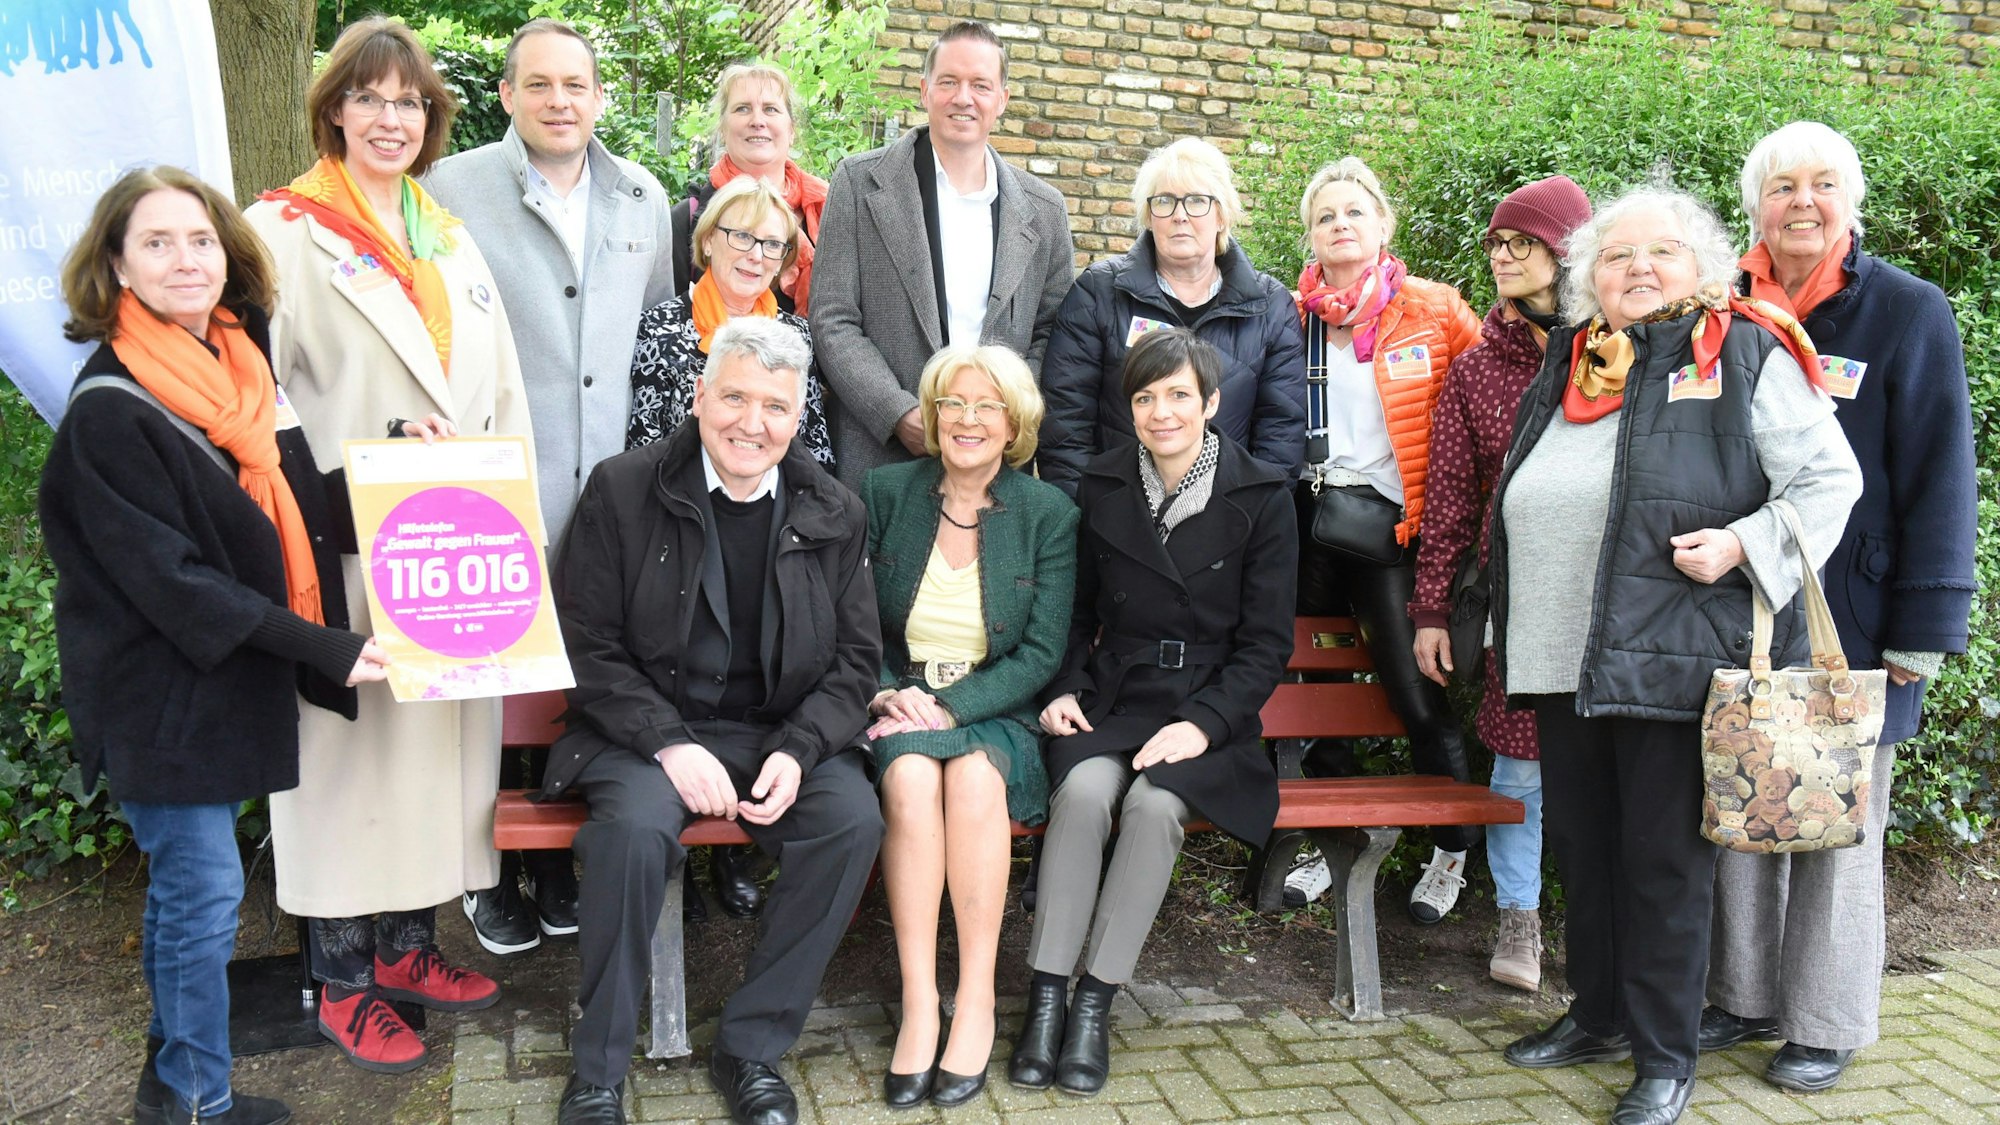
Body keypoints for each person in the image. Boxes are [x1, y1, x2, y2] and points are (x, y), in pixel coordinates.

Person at [1488, 185, 1861, 1125]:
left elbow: (1830, 477)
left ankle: (1664, 1055)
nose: (1637, 270)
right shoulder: (1578, 358)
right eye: (1615, 257)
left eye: (1660, 253)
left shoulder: (1739, 352)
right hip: (1564, 653)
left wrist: (1744, 545)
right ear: (1588, 279)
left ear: (1700, 267)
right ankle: (1601, 1013)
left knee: (1661, 862)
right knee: (1587, 845)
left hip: (1672, 652)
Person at [42, 166, 389, 1125]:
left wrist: (422, 477)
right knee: (201, 891)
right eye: (156, 242)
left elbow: (307, 502)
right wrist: (322, 645)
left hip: (220, 683)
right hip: (158, 695)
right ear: (116, 265)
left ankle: (170, 1079)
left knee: (191, 893)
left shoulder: (240, 364)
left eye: (199, 239)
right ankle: (197, 1098)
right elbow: (177, 583)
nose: (185, 260)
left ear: (228, 252)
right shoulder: (111, 409)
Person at [245, 16, 534, 1074]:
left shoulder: (445, 234)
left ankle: (412, 950)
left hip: (455, 550)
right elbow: (254, 401)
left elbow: (499, 389)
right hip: (347, 547)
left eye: (408, 101)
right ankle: (340, 979)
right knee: (352, 769)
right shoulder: (275, 231)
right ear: (333, 109)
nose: (390, 118)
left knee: (438, 763)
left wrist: (515, 528)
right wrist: (350, 469)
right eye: (369, 98)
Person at [542, 318, 884, 1125]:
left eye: (774, 405)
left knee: (850, 822)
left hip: (774, 733)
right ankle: (597, 1069)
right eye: (734, 396)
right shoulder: (623, 488)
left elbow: (856, 661)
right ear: (698, 397)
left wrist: (802, 750)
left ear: (799, 418)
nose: (751, 423)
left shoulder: (834, 508)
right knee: (631, 835)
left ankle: (752, 1046)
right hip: (641, 729)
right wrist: (666, 742)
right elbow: (584, 642)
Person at [1701, 122, 1977, 1092]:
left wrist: (1923, 628)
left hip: (1854, 615)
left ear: (1849, 203)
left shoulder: (1906, 311)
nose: (1801, 204)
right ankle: (1739, 996)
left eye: (1822, 185)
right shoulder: (1715, 307)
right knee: (1737, 800)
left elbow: (1942, 478)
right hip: (1734, 601)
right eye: (1781, 187)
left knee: (1838, 820)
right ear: (1754, 207)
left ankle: (1822, 1018)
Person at [425, 15, 676, 956]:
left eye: (576, 85)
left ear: (600, 96)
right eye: (539, 85)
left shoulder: (644, 199)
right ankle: (485, 876)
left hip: (613, 491)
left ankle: (558, 861)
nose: (559, 102)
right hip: (497, 479)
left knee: (588, 668)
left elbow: (657, 341)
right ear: (507, 95)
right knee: (493, 674)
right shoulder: (450, 191)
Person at [1010, 328, 1296, 1097]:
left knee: (1153, 806)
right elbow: (1073, 612)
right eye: (1144, 397)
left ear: (1211, 402)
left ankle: (1095, 1002)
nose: (1161, 411)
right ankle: (1045, 997)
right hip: (1117, 692)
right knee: (1082, 795)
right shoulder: (1101, 483)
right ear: (1128, 408)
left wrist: (1203, 722)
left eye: (1177, 395)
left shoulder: (1262, 494)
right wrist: (1063, 685)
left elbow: (1266, 645)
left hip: (1209, 708)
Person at [860, 346, 1077, 1108]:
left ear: (1014, 421)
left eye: (987, 406)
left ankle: (977, 998)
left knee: (977, 781)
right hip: (901, 705)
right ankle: (921, 1003)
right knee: (915, 776)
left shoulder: (1047, 513)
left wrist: (956, 705)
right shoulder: (886, 492)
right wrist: (889, 693)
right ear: (931, 412)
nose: (968, 419)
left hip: (995, 708)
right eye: (953, 403)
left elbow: (1045, 647)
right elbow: (854, 623)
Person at [1282, 157, 1485, 924]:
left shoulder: (1434, 310)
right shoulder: (1289, 316)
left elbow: (1487, 401)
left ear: (1383, 226)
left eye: (1354, 212)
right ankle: (1325, 840)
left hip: (1397, 529)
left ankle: (1452, 849)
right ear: (1311, 233)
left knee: (1413, 684)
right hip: (1310, 527)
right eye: (1327, 214)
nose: (1341, 224)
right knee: (1311, 693)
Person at [1407, 175, 1593, 993]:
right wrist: (1432, 610)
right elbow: (1448, 500)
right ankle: (1518, 918)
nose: (1504, 257)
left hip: (1604, 599)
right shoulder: (1480, 371)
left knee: (1609, 769)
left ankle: (1603, 923)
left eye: (1522, 242)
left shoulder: (1617, 349)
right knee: (1518, 766)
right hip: (1514, 605)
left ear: (1566, 250)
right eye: (1496, 244)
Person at [812, 19, 1076, 485]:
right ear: (924, 89)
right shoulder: (857, 183)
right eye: (949, 82)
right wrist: (898, 413)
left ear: (1002, 100)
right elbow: (834, 318)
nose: (963, 97)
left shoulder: (1045, 211)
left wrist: (1002, 414)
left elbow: (1050, 333)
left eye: (980, 85)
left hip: (994, 462)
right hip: (882, 457)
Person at [1036, 137, 1305, 495]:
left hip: (1229, 518)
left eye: (1197, 201)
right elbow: (1065, 422)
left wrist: (1251, 516)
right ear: (1148, 216)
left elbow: (1281, 430)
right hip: (1116, 516)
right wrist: (1089, 515)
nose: (1180, 215)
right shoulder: (1097, 294)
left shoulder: (1270, 306)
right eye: (1164, 201)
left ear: (1222, 215)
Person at [627, 175, 833, 466]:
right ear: (709, 240)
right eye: (743, 237)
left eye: (772, 244)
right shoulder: (657, 331)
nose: (756, 255)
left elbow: (815, 450)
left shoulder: (797, 335)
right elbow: (642, 455)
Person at [670, 61, 826, 315]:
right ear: (722, 128)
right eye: (742, 109)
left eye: (771, 109)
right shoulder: (685, 221)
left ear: (792, 130)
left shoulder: (830, 214)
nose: (757, 121)